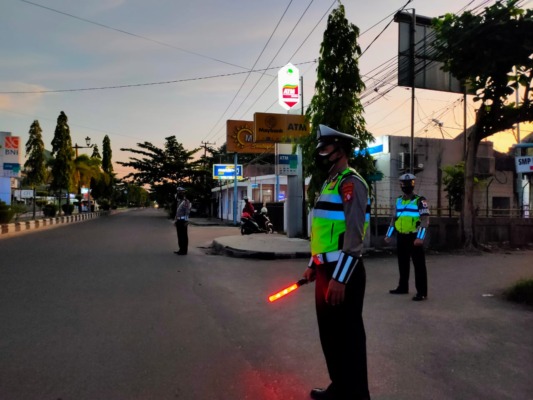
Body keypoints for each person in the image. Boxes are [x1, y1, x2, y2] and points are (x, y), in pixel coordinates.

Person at [302, 124, 371, 400]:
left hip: (344, 272)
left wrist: (340, 278)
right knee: (330, 336)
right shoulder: (330, 182)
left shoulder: (351, 183)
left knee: (349, 338)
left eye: (326, 149)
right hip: (324, 269)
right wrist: (312, 263)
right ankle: (339, 388)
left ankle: (357, 395)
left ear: (340, 150)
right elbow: (322, 231)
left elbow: (354, 236)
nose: (322, 154)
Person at [384, 173, 429, 301]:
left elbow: (425, 220)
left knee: (419, 265)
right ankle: (403, 287)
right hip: (401, 236)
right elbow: (394, 219)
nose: (406, 186)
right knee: (402, 263)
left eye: (409, 184)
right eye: (404, 184)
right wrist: (389, 235)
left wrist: (420, 238)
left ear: (413, 185)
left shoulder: (420, 200)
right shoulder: (399, 200)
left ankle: (422, 292)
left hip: (414, 237)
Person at [174, 187, 191, 255]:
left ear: (183, 193)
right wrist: (176, 220)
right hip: (178, 221)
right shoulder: (179, 201)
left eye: (180, 192)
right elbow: (177, 212)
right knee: (179, 236)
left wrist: (186, 221)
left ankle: (184, 250)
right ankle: (180, 249)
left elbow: (187, 212)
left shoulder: (186, 201)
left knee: (184, 236)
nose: (178, 193)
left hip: (183, 221)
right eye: (178, 192)